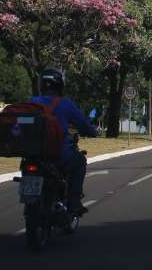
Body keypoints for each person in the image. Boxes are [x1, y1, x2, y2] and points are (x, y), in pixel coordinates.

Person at [31, 69, 97, 215]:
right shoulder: (65, 104)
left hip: (33, 155)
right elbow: (84, 124)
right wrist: (92, 132)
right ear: (59, 86)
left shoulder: (32, 102)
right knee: (80, 161)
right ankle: (74, 201)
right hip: (59, 155)